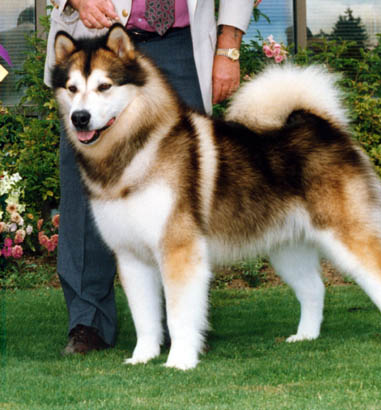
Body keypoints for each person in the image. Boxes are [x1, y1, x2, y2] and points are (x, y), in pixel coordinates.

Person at [43, 0, 253, 354]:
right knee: (87, 194)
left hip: (181, 44)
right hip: (94, 38)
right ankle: (88, 322)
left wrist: (229, 47)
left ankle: (181, 327)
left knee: (182, 201)